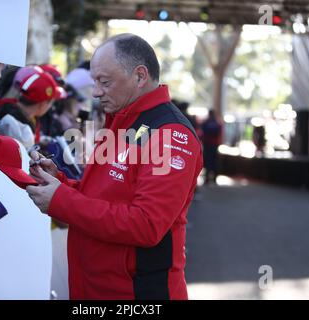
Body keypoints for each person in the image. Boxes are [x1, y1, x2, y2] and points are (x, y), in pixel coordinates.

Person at [26, 33, 203, 300]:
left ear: (140, 76)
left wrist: (62, 199)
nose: (96, 92)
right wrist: (61, 183)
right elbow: (105, 196)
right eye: (94, 81)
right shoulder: (122, 120)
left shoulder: (170, 134)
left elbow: (146, 224)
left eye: (104, 82)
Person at [201, 109, 222, 184]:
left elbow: (202, 132)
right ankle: (214, 179)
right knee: (214, 162)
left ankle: (206, 179)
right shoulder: (217, 123)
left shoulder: (205, 122)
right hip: (215, 145)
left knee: (207, 162)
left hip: (207, 144)